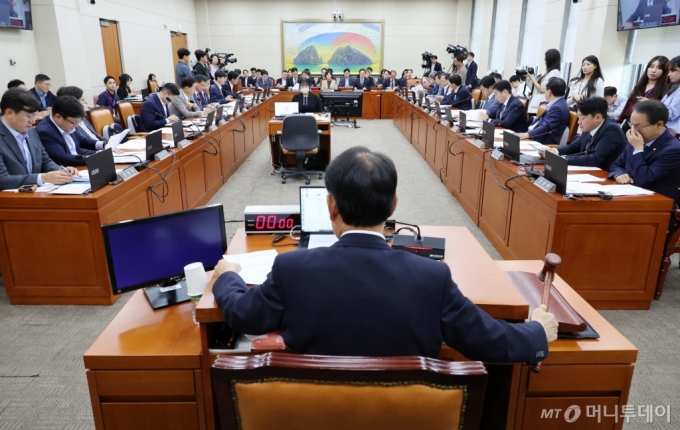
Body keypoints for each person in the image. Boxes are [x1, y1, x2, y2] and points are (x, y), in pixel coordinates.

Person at [212, 146, 557, 360]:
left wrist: (228, 275)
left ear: (331, 206)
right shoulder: (432, 277)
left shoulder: (291, 268)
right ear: (393, 206)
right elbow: (488, 341)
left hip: (313, 411)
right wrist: (537, 332)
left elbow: (244, 316)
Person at [0, 89, 78, 190]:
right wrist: (42, 178)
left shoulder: (31, 131)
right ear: (9, 113)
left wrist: (61, 170)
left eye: (35, 116)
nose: (33, 121)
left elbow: (44, 160)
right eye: (29, 116)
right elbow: (2, 180)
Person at [609, 100, 680, 202]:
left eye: (638, 126)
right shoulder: (638, 138)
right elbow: (616, 165)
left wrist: (638, 149)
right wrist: (619, 174)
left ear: (659, 124)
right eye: (631, 124)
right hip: (628, 197)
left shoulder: (674, 149)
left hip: (655, 205)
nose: (633, 130)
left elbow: (643, 179)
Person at [545, 97, 627, 171]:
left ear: (598, 117)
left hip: (605, 177)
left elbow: (593, 159)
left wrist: (561, 158)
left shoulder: (612, 131)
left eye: (583, 118)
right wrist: (554, 151)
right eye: (578, 118)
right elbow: (572, 147)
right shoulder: (590, 127)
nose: (579, 122)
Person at [36, 96, 98, 167]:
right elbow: (62, 157)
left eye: (78, 122)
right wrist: (93, 159)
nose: (76, 126)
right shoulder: (45, 132)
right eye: (73, 123)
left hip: (78, 163)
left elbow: (81, 140)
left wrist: (103, 145)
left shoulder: (69, 122)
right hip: (65, 169)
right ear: (58, 117)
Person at [618, 56, 669, 127]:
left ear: (664, 71)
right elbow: (628, 105)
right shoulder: (640, 85)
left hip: (645, 125)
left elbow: (663, 111)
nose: (653, 70)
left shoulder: (664, 89)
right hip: (629, 122)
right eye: (651, 66)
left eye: (659, 68)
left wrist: (650, 104)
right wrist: (619, 121)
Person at [517, 77, 569, 144]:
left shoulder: (558, 108)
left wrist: (527, 134)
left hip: (542, 141)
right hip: (535, 135)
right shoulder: (558, 103)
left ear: (549, 92)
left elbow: (546, 127)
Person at [526, 49, 561, 114]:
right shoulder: (547, 71)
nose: (544, 62)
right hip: (536, 104)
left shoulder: (554, 72)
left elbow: (541, 89)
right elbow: (535, 87)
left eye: (546, 59)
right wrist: (529, 78)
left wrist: (532, 77)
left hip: (541, 105)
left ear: (551, 60)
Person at [661, 56, 680, 135]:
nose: (669, 74)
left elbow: (671, 114)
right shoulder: (674, 87)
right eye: (669, 71)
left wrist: (652, 107)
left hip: (673, 133)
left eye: (673, 71)